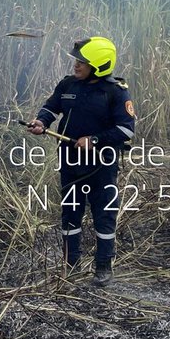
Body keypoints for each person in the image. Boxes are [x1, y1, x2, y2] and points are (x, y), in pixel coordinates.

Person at [27, 37, 135, 287]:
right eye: (76, 61)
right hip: (69, 161)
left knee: (104, 214)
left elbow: (126, 130)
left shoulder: (116, 92)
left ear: (98, 65)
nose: (76, 65)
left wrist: (95, 140)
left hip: (102, 165)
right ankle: (71, 265)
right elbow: (51, 108)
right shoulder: (68, 85)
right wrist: (42, 122)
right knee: (70, 213)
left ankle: (103, 267)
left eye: (82, 62)